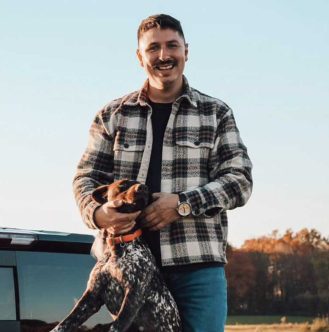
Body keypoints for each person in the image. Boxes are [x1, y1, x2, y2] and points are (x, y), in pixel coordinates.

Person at [73, 14, 253, 332]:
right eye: (153, 48)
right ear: (140, 56)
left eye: (172, 45)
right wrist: (99, 214)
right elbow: (85, 177)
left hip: (196, 269)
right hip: (122, 266)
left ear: (186, 50)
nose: (164, 55)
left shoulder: (216, 113)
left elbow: (239, 180)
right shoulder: (112, 115)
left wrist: (182, 204)